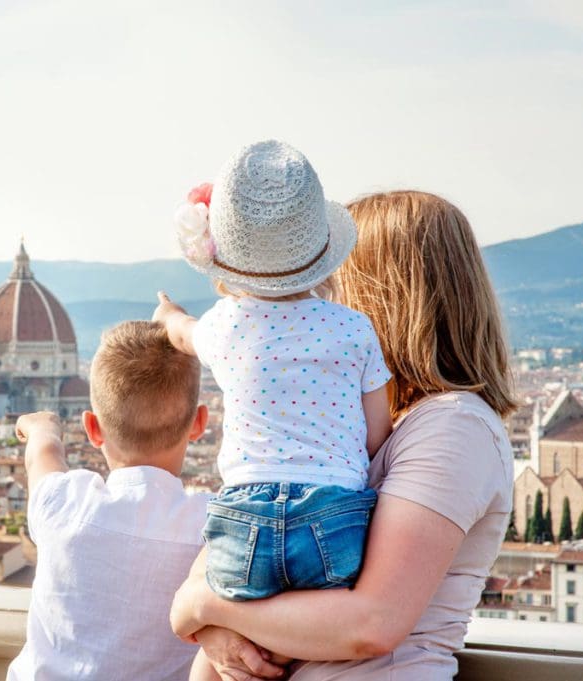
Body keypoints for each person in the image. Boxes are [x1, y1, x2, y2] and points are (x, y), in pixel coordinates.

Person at [169, 190, 518, 681]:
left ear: (381, 292)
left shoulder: (454, 426)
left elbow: (371, 623)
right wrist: (211, 622)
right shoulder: (349, 432)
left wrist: (206, 608)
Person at [154, 139, 393, 679]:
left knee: (219, 657)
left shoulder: (223, 324)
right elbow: (377, 434)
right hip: (334, 521)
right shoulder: (355, 329)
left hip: (243, 525)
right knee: (297, 644)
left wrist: (166, 313)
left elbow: (180, 332)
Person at [7, 320, 224, 681]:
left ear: (92, 428)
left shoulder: (64, 504)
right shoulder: (215, 526)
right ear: (199, 423)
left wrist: (42, 426)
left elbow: (43, 455)